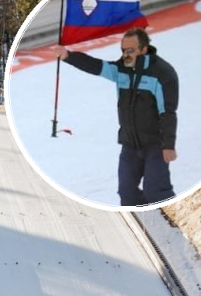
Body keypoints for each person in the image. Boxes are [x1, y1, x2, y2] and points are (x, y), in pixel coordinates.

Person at [54, 28, 178, 206]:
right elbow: (96, 66)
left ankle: (171, 221)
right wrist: (68, 56)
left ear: (144, 49)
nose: (125, 55)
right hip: (130, 145)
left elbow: (168, 112)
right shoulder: (121, 70)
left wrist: (168, 145)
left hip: (155, 145)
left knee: (156, 191)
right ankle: (147, 218)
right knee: (126, 192)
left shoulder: (162, 74)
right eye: (123, 50)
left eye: (130, 51)